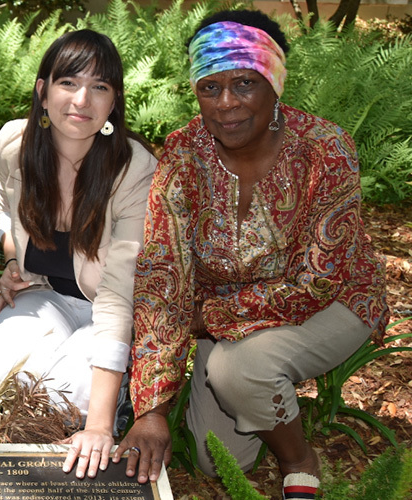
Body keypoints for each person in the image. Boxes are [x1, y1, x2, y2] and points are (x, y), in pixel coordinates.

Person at [114, 10, 390, 499]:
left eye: (244, 83)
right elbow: (163, 271)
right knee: (213, 458)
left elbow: (318, 280)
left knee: (236, 371)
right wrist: (152, 410)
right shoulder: (183, 153)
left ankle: (298, 460)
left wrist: (209, 318)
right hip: (221, 315)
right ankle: (256, 389)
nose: (225, 104)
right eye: (209, 87)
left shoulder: (324, 150)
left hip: (333, 301)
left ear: (275, 81)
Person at [0, 30, 157, 479]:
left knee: (75, 392)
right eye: (68, 82)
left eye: (100, 87)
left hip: (112, 310)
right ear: (43, 91)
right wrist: (13, 261)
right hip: (46, 293)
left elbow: (117, 296)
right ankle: (76, 380)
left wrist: (100, 427)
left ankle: (115, 396)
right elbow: (5, 209)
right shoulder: (13, 146)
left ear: (113, 103)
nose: (82, 99)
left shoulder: (134, 170)